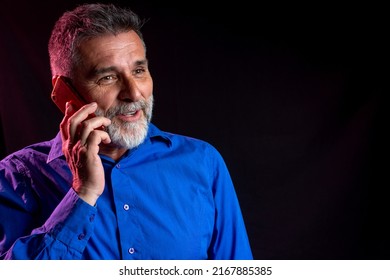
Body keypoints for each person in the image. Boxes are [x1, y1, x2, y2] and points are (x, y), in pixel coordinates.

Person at [0, 3, 252, 260]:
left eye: (139, 71)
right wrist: (82, 194)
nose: (133, 93)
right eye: (107, 77)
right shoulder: (16, 177)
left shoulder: (203, 162)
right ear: (65, 92)